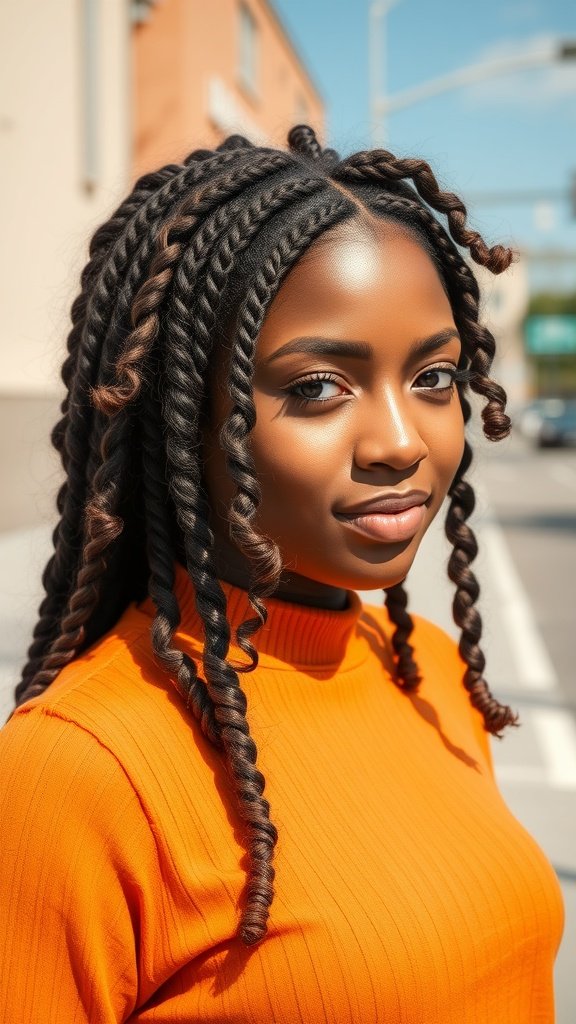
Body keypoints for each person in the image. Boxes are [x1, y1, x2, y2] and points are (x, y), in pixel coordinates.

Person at [0, 124, 564, 1023]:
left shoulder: (428, 670)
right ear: (186, 419)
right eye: (316, 388)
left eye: (434, 376)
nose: (402, 443)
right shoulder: (79, 767)